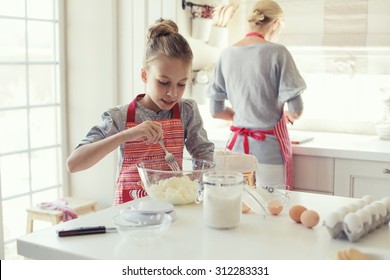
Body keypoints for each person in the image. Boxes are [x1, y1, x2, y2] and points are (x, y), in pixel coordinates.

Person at [67, 19, 215, 205]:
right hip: (129, 215)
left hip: (172, 212)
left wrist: (192, 184)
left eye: (181, 84)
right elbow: (74, 164)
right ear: (145, 75)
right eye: (163, 82)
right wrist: (128, 134)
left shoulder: (186, 111)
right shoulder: (119, 117)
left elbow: (204, 156)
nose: (173, 93)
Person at [206, 0, 306, 190]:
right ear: (276, 23)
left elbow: (215, 111)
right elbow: (296, 110)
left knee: (238, 209)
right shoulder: (278, 52)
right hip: (268, 152)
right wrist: (287, 116)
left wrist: (244, 115)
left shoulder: (226, 54)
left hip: (234, 152)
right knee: (273, 210)